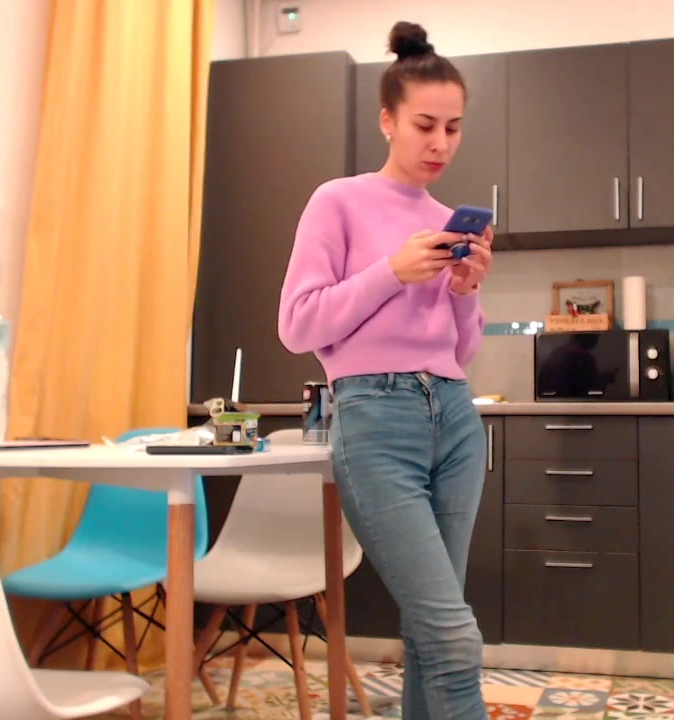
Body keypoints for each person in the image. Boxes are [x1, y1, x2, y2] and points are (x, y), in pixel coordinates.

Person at [276, 20, 494, 720]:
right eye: (425, 125)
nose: (440, 144)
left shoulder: (447, 220)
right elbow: (298, 324)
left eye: (453, 128)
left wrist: (466, 291)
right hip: (375, 418)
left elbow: (460, 351)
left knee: (433, 636)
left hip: (455, 419)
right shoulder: (336, 201)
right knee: (454, 637)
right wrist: (391, 272)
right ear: (388, 120)